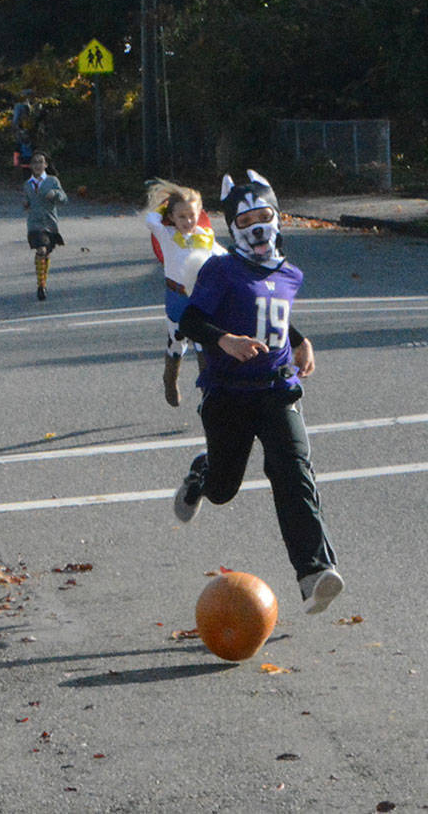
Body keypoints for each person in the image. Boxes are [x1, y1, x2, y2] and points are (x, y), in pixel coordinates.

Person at [172, 170, 344, 615]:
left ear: (278, 216)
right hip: (229, 393)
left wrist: (302, 340)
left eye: (264, 215)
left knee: (293, 474)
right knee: (223, 488)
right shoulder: (222, 269)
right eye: (246, 219)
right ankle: (202, 473)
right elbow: (190, 321)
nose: (258, 226)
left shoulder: (290, 273)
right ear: (233, 227)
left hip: (277, 391)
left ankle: (314, 574)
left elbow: (273, 315)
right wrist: (224, 340)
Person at [143, 179, 227, 406]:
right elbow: (150, 219)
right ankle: (170, 378)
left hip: (200, 297)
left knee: (204, 344)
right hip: (176, 297)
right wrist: (165, 209)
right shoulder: (166, 234)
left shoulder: (206, 237)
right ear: (172, 216)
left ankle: (208, 396)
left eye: (192, 215)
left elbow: (223, 258)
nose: (188, 221)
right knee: (177, 341)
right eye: (181, 216)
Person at [22, 150, 67, 301]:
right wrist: (26, 204)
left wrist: (54, 194)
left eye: (41, 162)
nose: (38, 165)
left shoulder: (52, 181)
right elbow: (27, 201)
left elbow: (64, 199)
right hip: (34, 225)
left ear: (46, 165)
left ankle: (43, 282)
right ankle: (40, 286)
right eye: (35, 162)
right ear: (30, 166)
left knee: (46, 253)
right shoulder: (27, 185)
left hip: (50, 224)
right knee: (41, 249)